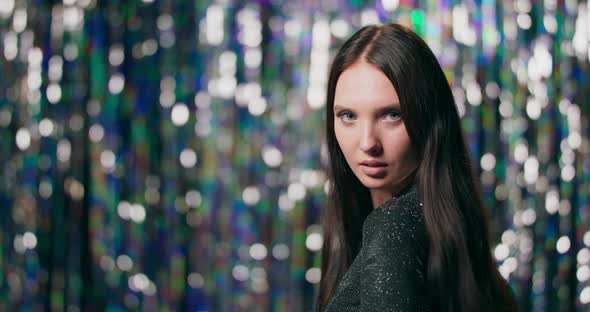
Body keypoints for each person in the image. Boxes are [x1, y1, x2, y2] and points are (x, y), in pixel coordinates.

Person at [316, 23, 518, 312]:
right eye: (348, 115)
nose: (367, 142)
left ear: (429, 120)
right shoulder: (447, 230)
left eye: (391, 115)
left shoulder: (393, 228)